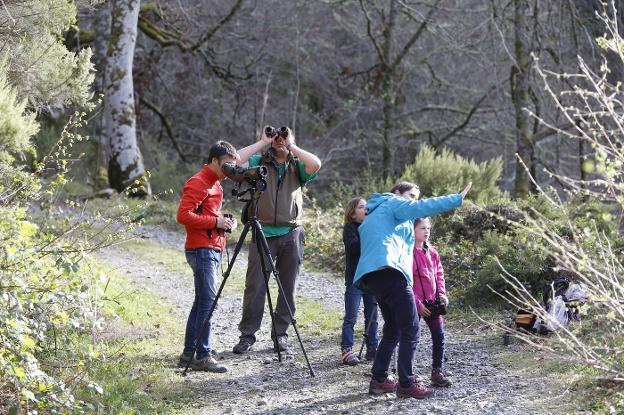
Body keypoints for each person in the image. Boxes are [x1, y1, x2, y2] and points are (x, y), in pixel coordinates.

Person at [354, 181, 471, 399]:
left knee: (393, 329)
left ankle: (379, 379)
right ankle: (407, 383)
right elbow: (422, 208)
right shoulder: (395, 204)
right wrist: (456, 198)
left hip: (374, 276)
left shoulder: (379, 210)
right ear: (397, 193)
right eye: (411, 195)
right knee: (411, 329)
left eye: (417, 196)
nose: (414, 200)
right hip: (390, 272)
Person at [232, 125, 321, 354]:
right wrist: (263, 142)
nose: (278, 140)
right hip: (262, 232)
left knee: (287, 287)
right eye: (276, 137)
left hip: (291, 233)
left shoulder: (297, 166)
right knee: (255, 286)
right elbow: (234, 161)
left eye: (283, 136)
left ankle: (280, 335)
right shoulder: (259, 163)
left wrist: (290, 145)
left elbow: (316, 164)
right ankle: (247, 336)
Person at [176, 141, 239, 373]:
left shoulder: (215, 183)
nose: (229, 170)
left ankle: (188, 354)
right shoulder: (199, 182)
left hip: (210, 247)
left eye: (232, 165)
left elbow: (207, 213)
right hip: (201, 249)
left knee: (202, 302)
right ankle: (202, 355)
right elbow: (183, 215)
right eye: (226, 165)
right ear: (214, 161)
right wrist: (216, 222)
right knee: (207, 304)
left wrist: (224, 221)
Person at [412, 217, 451, 387]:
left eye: (428, 228)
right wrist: (417, 304)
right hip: (415, 305)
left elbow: (439, 274)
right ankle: (408, 374)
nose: (426, 231)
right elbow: (405, 283)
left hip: (433, 303)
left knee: (439, 336)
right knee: (411, 338)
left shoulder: (433, 252)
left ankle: (437, 371)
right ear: (412, 230)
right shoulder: (407, 252)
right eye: (422, 228)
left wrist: (442, 293)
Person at [340, 197, 379, 365]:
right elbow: (354, 248)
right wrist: (367, 232)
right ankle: (346, 349)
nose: (366, 210)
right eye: (361, 207)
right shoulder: (350, 228)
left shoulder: (371, 228)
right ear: (353, 212)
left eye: (366, 207)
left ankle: (372, 347)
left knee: (372, 316)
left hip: (371, 279)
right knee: (351, 317)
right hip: (355, 279)